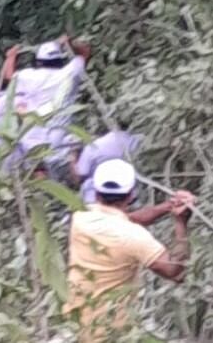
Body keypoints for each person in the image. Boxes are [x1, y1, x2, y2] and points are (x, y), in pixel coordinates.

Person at [65, 160, 195, 342]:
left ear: (95, 192)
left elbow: (128, 219)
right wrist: (181, 224)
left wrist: (168, 206)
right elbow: (176, 272)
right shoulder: (134, 237)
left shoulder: (79, 218)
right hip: (111, 333)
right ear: (131, 195)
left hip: (74, 325)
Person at [73, 129, 144, 203]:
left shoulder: (91, 147)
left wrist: (73, 156)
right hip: (132, 189)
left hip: (102, 196)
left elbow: (78, 177)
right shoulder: (133, 139)